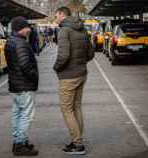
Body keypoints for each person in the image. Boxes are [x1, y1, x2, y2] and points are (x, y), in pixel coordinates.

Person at [53, 7, 94, 155]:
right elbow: (91, 52)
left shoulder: (64, 31)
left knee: (67, 109)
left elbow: (63, 56)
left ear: (62, 15)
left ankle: (77, 144)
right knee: (76, 107)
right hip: (81, 74)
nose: (55, 18)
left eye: (56, 15)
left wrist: (56, 68)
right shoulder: (82, 29)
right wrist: (80, 63)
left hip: (68, 77)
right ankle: (78, 140)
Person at [4, 16, 39, 156]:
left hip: (15, 85)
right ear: (21, 28)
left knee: (17, 114)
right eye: (27, 27)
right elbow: (25, 64)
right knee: (26, 115)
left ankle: (18, 141)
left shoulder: (10, 41)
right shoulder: (20, 43)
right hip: (24, 85)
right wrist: (34, 76)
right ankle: (20, 144)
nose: (29, 29)